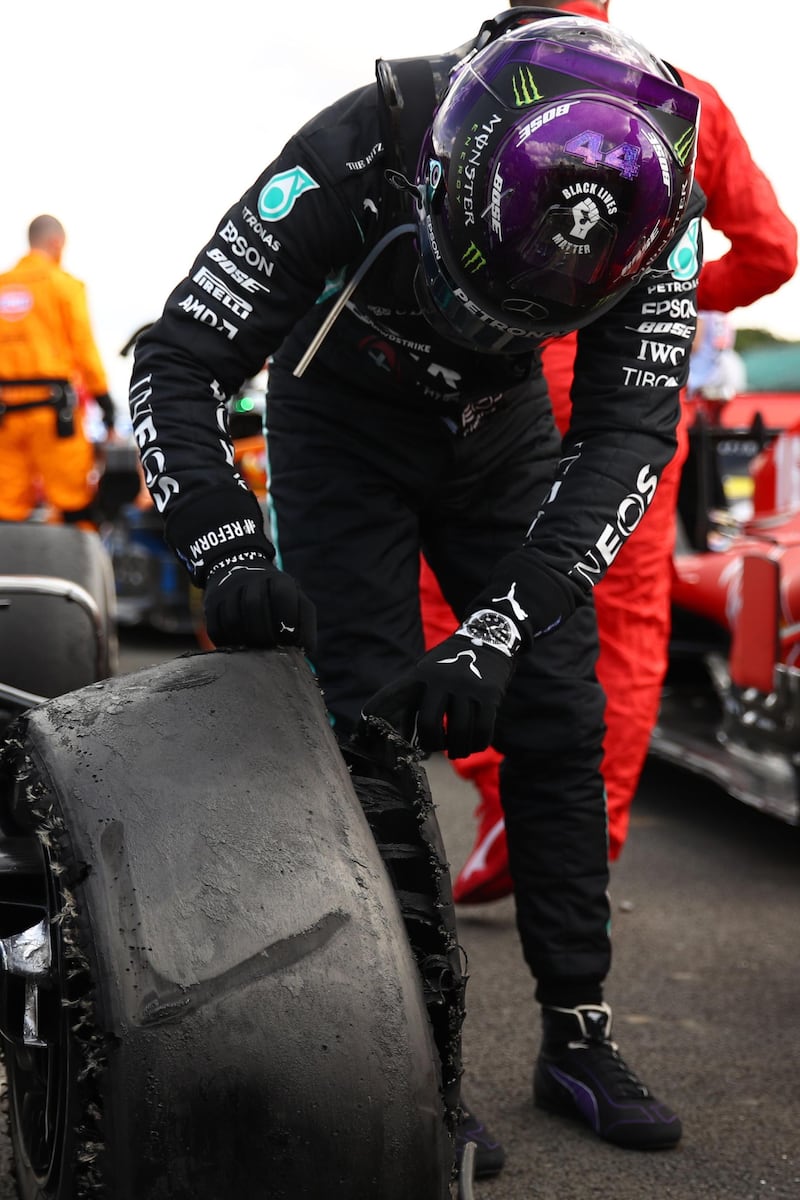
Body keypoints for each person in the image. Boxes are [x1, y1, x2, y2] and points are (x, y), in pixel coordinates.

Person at [130, 11, 705, 1170]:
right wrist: (228, 547)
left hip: (502, 436)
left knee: (553, 705)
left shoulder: (665, 218)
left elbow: (630, 438)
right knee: (370, 715)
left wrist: (499, 629)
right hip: (339, 420)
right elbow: (176, 358)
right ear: (445, 173)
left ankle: (576, 1032)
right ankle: (410, 1051)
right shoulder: (356, 145)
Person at [427, 0, 799, 905]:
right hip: (633, 394)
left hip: (501, 387)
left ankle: (502, 798)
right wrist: (656, 283)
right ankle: (583, 840)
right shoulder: (688, 99)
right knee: (628, 617)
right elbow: (774, 252)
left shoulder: (474, 82)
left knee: (454, 587)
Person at [0, 214, 117, 525]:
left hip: (5, 418)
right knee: (73, 502)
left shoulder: (2, 285)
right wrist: (104, 400)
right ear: (56, 243)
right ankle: (74, 571)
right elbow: (83, 345)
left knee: (5, 507)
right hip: (54, 418)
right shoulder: (63, 285)